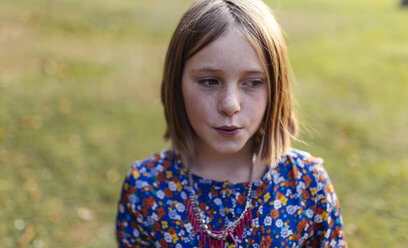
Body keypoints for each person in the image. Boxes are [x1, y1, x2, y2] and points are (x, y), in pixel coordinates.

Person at [116, 0, 347, 247]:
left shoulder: (307, 184)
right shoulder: (146, 187)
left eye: (253, 82)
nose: (230, 105)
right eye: (209, 81)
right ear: (177, 83)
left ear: (276, 89)